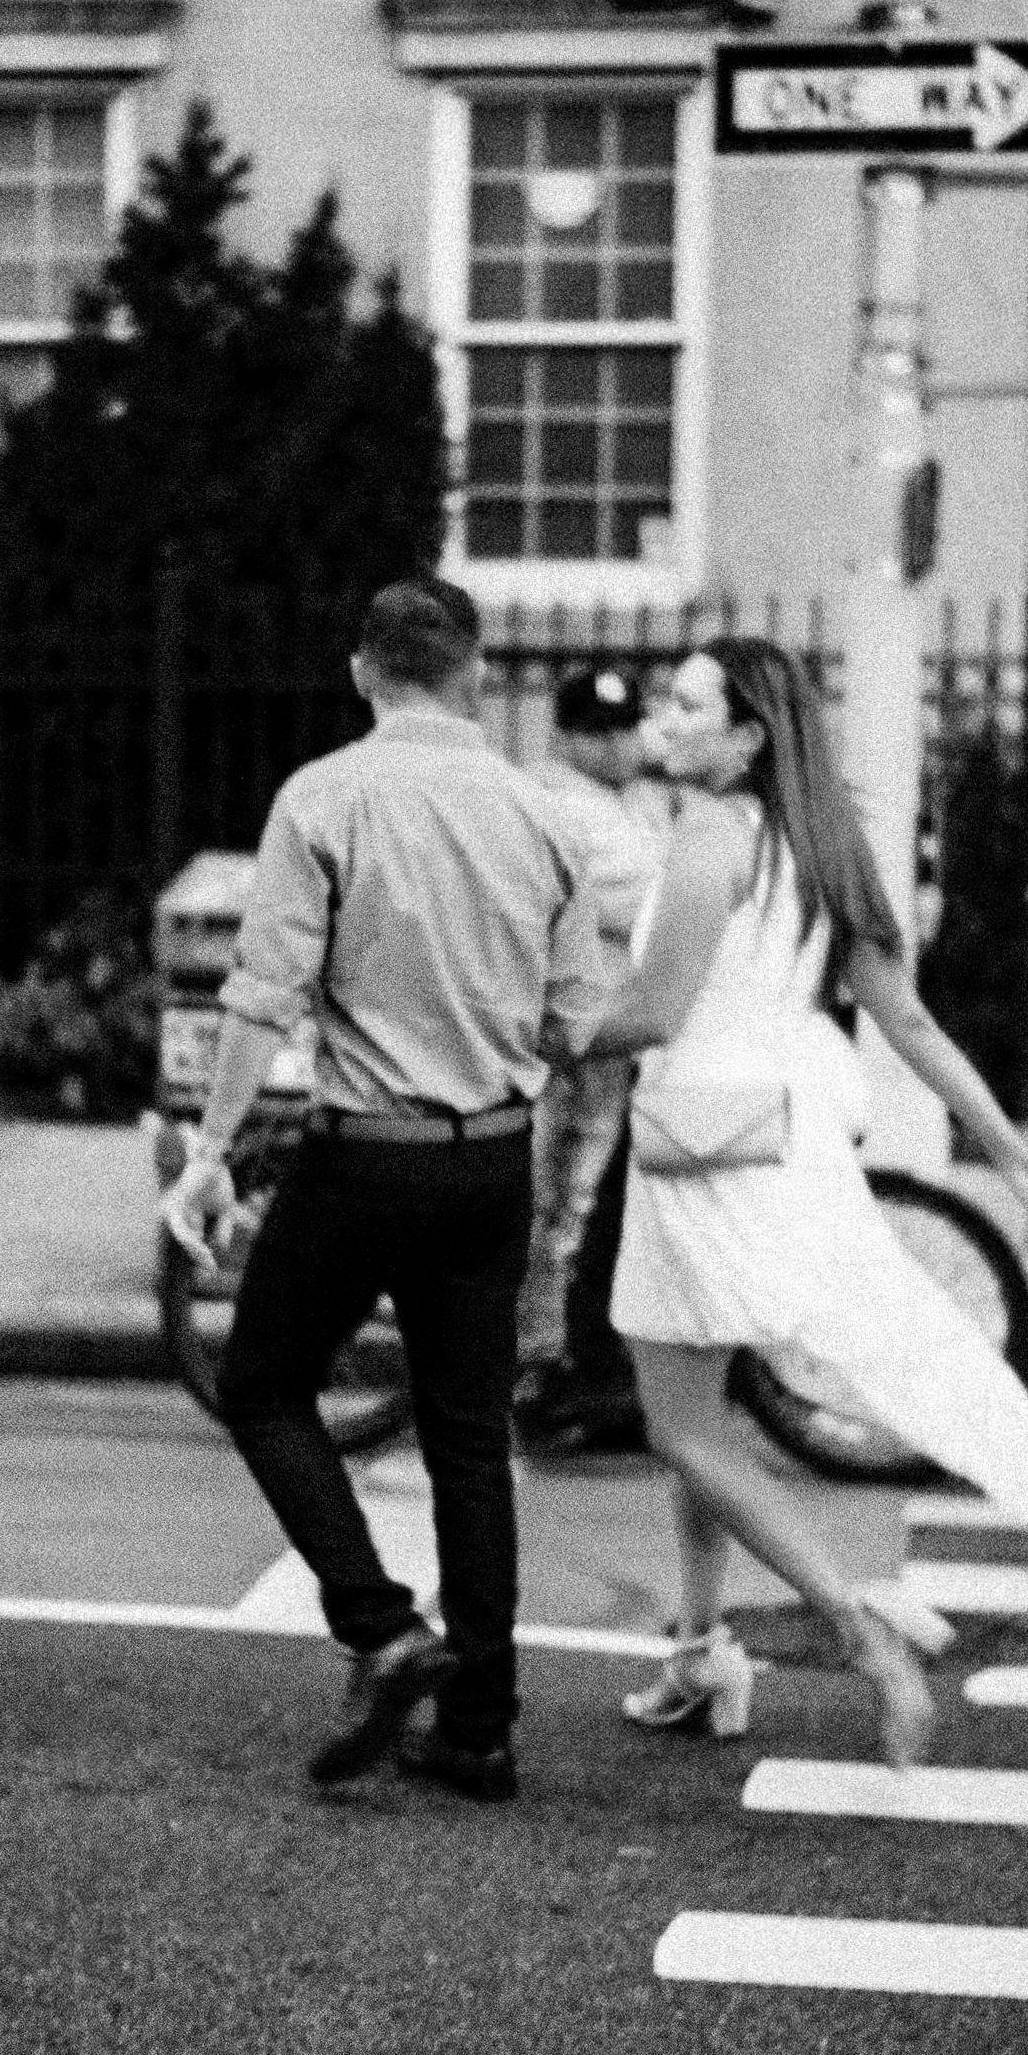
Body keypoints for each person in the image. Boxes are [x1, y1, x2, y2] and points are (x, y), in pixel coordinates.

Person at [580, 637, 1028, 1768]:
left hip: (697, 1151)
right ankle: (699, 1654)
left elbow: (652, 1014)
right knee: (700, 1418)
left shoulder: (711, 836)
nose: (668, 715)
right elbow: (909, 1020)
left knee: (679, 1426)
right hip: (781, 1146)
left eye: (691, 702)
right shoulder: (820, 844)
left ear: (746, 735)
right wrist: (1005, 1147)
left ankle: (859, 1631)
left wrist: (525, 1032)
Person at [161, 579, 609, 1803]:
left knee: (263, 1385)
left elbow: (263, 997)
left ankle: (380, 1624)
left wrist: (209, 1151)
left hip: (364, 1156)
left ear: (364, 670)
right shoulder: (546, 817)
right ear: (477, 673)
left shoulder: (324, 798)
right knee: (469, 1437)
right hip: (493, 1159)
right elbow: (574, 1024)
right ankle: (481, 1729)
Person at [517, 666, 671, 1450]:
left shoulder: (630, 803)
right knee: (564, 1202)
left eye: (625, 728)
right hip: (577, 1040)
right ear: (564, 738)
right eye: (597, 732)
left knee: (589, 1204)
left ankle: (574, 1361)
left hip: (615, 1036)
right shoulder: (559, 806)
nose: (617, 745)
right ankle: (546, 1361)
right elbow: (648, 902)